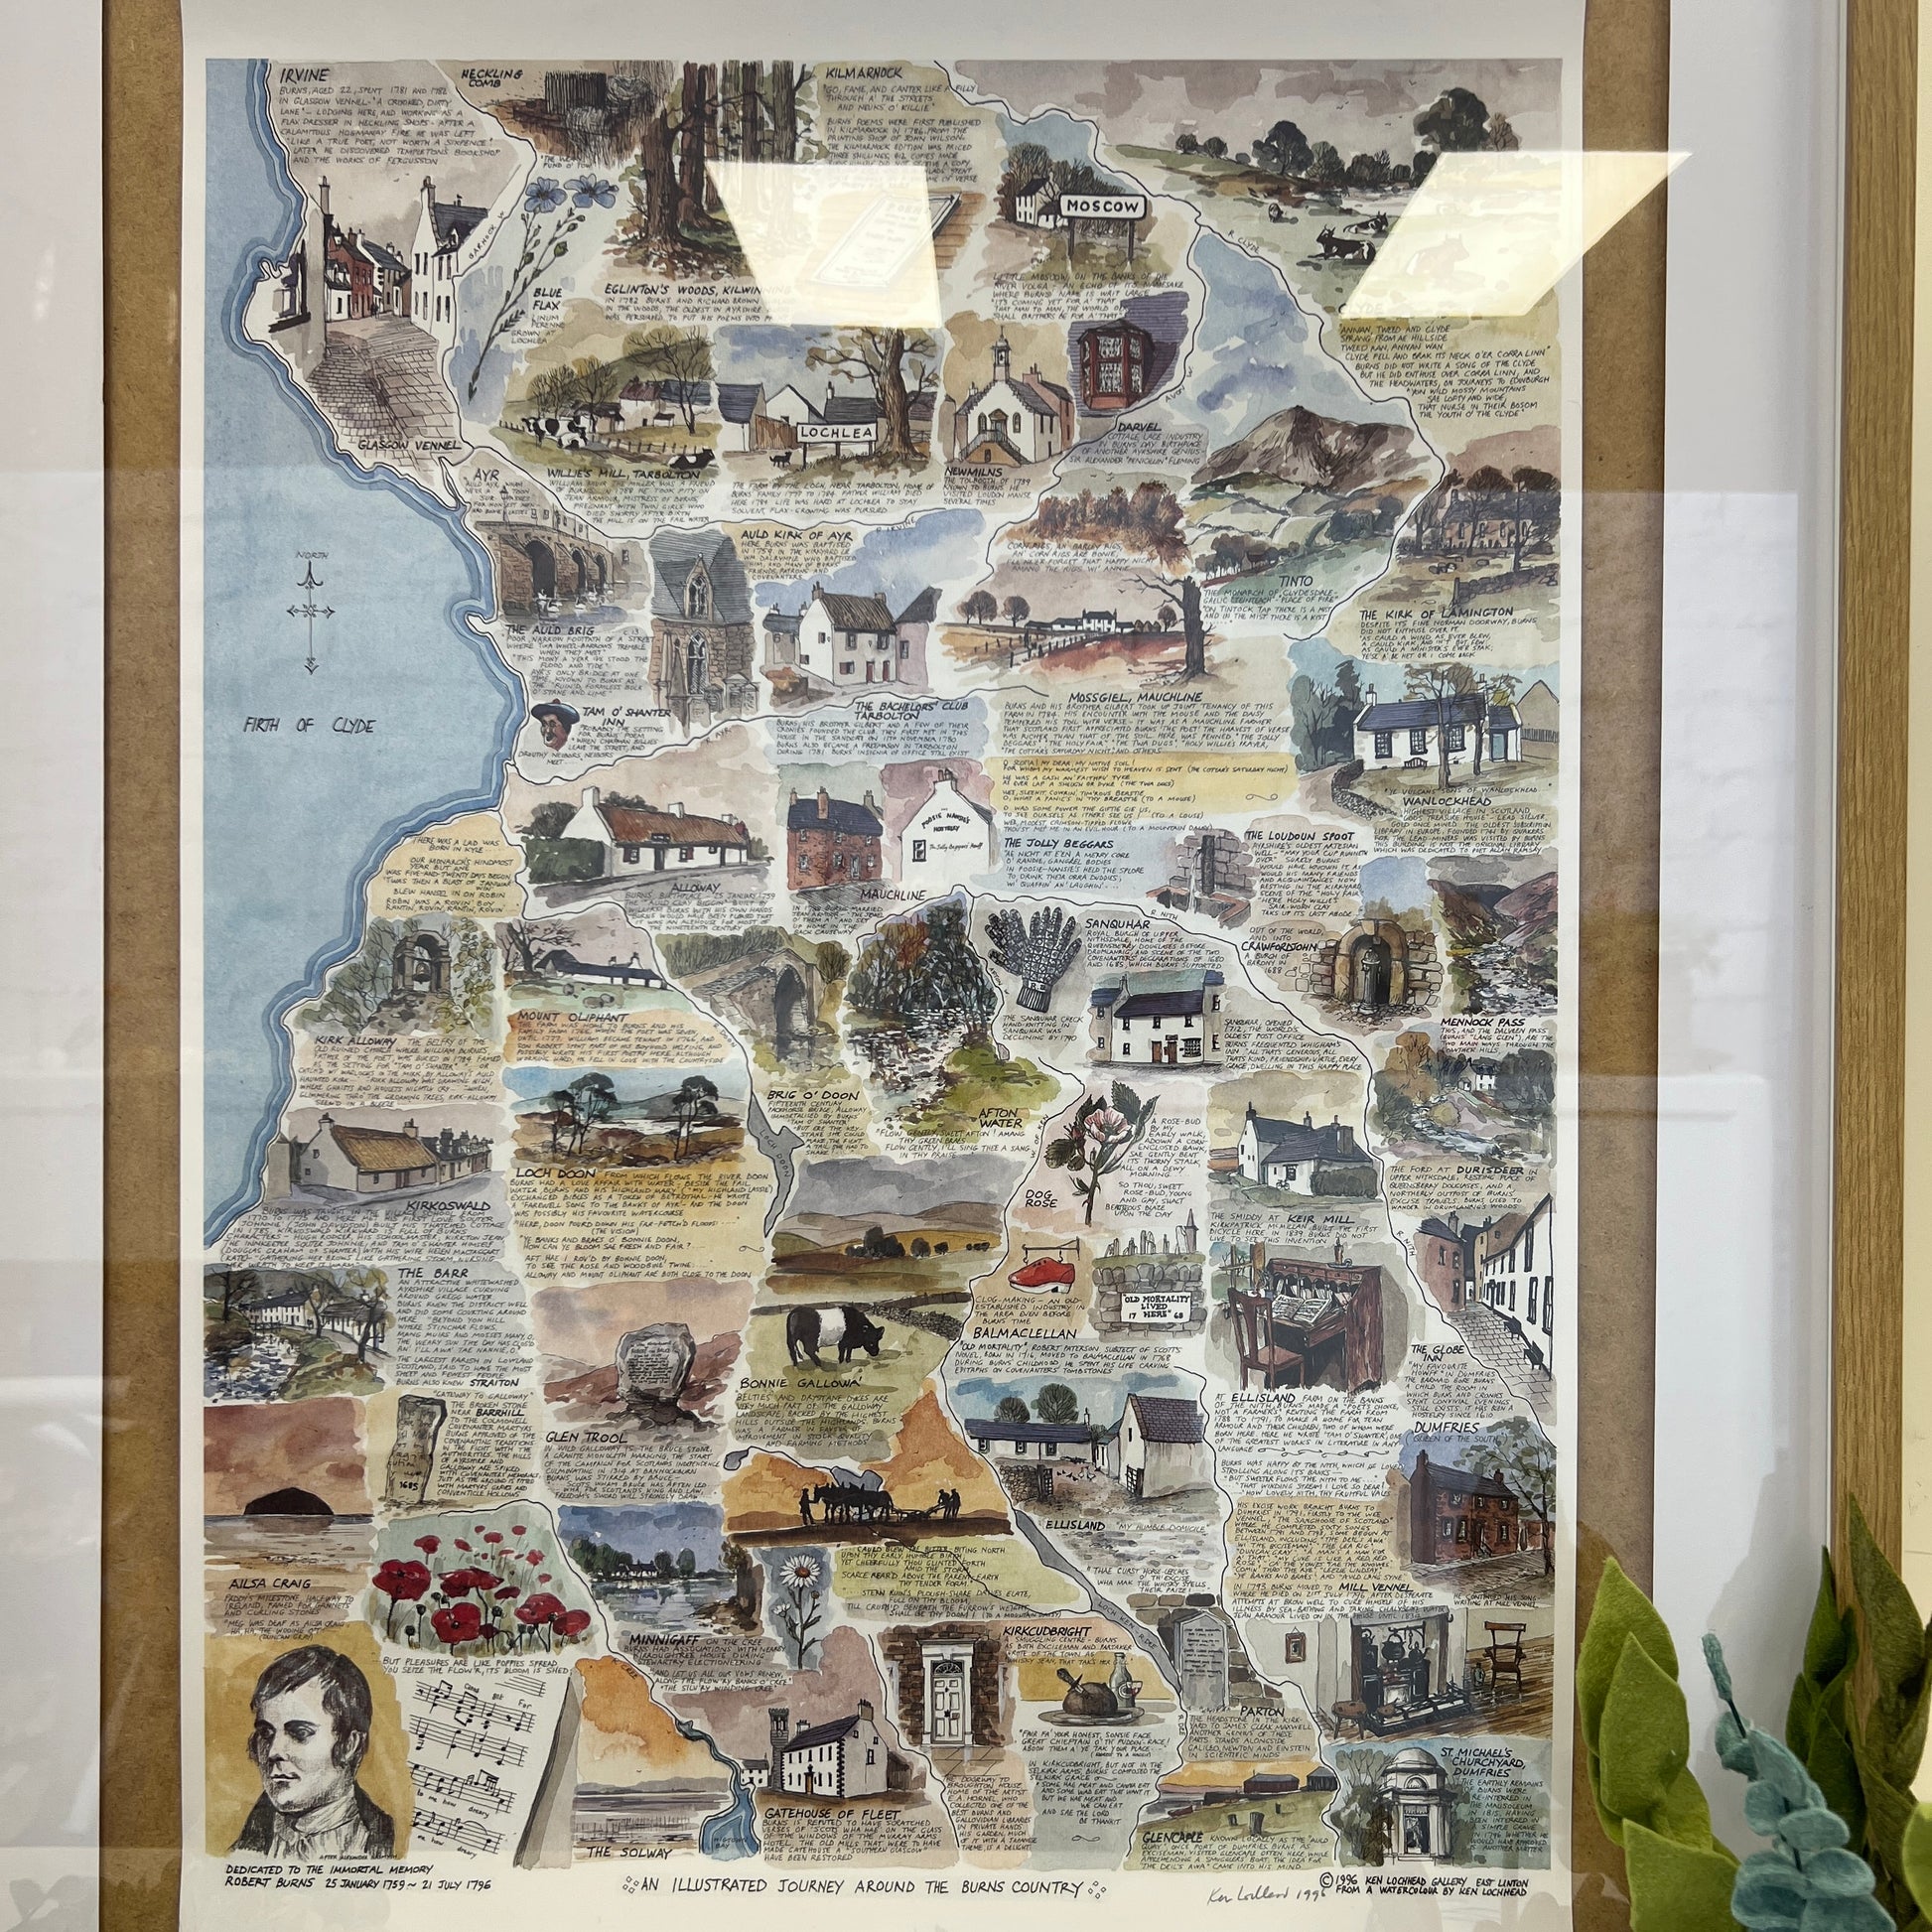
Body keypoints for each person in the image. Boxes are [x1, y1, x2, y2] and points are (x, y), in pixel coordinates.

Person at [230, 1645, 394, 1862]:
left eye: (300, 1733)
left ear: (349, 1744)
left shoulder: (380, 1839)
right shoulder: (249, 1842)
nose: (273, 1751)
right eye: (266, 1733)